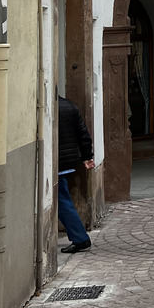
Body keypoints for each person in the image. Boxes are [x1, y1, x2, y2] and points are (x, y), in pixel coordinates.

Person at [57, 94, 94, 254]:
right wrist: (87, 156)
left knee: (62, 201)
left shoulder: (49, 107)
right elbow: (83, 132)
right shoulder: (70, 105)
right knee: (62, 199)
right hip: (69, 161)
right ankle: (79, 237)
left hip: (57, 160)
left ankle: (80, 238)